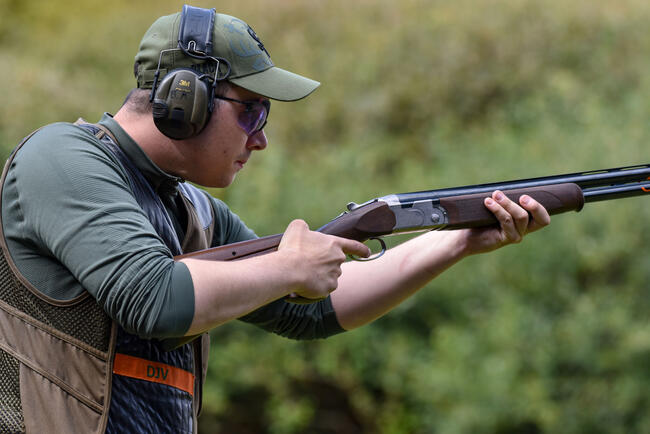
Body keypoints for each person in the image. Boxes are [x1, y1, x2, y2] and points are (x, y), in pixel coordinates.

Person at [0, 5, 550, 433]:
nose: (260, 138)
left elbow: (311, 311)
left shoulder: (191, 209)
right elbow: (156, 299)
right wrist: (288, 268)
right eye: (252, 111)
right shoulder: (60, 157)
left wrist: (452, 241)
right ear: (183, 100)